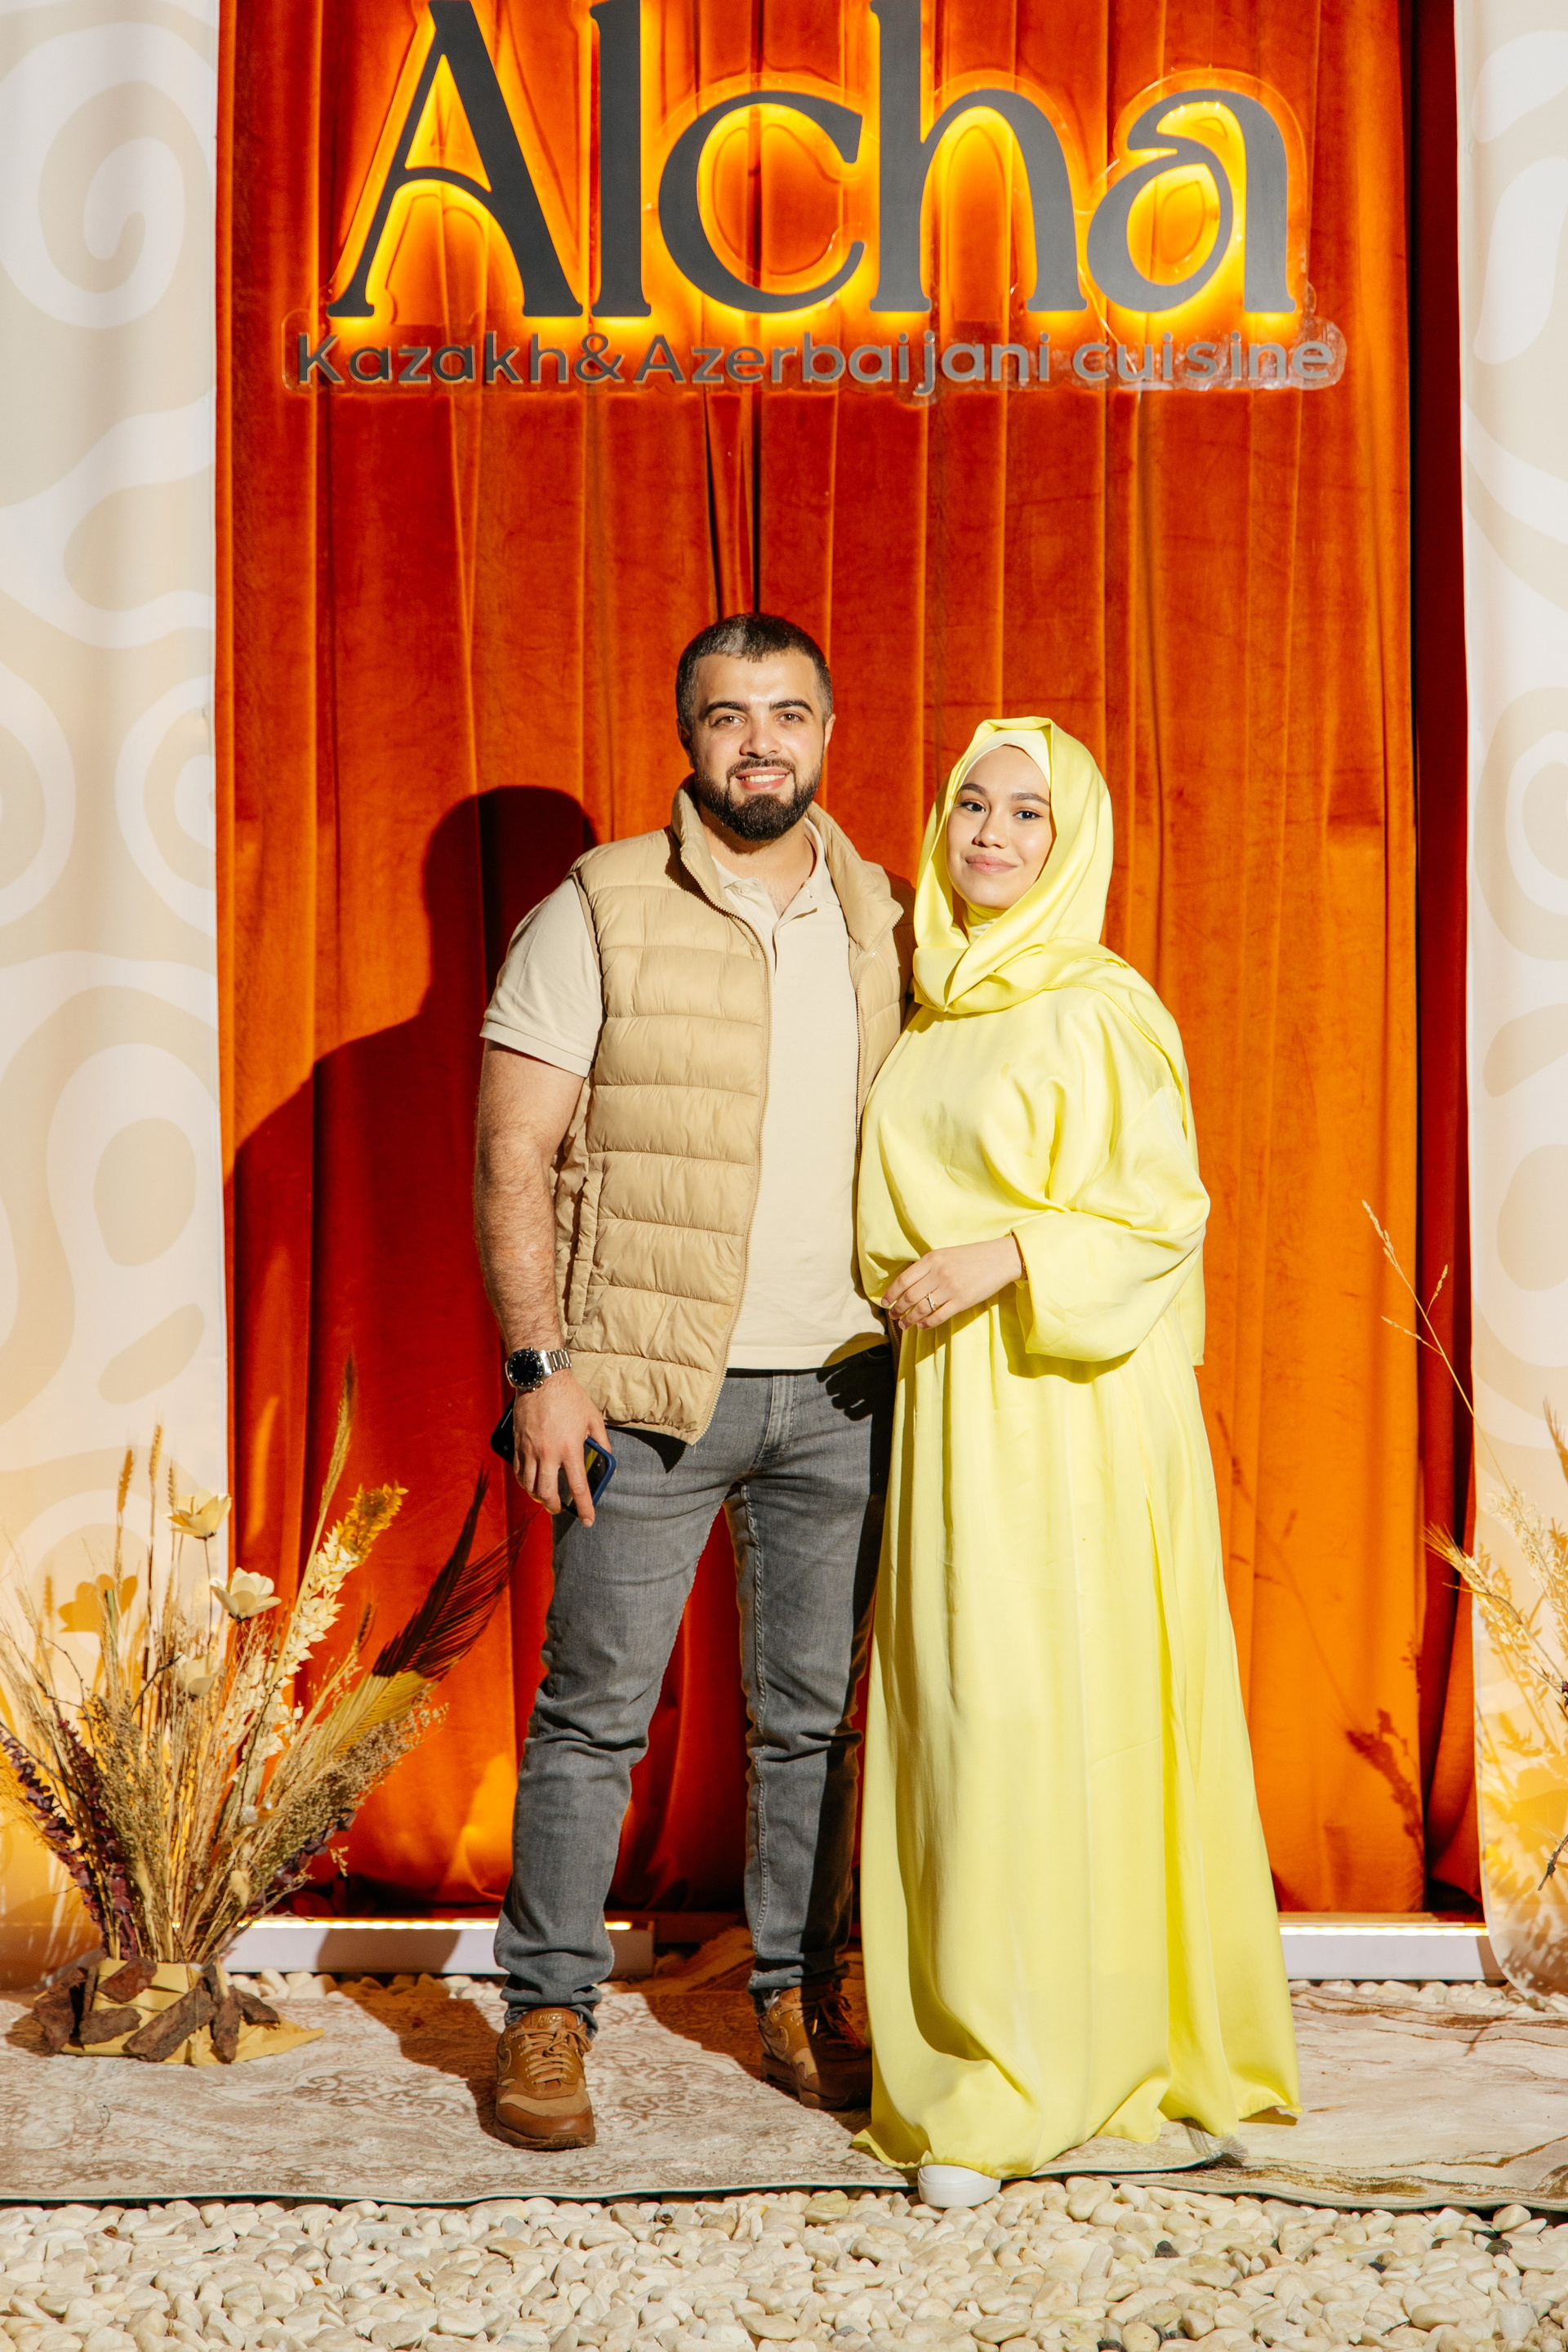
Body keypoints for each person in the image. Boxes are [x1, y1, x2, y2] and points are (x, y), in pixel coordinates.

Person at [472, 612, 908, 2151]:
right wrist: (542, 1367)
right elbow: (512, 1148)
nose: (761, 743)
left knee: (815, 1724)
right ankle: (547, 2013)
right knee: (594, 1715)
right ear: (689, 738)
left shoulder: (886, 913)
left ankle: (801, 1990)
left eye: (789, 713)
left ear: (828, 732)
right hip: (646, 1391)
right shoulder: (596, 907)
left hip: (847, 1388)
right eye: (731, 717)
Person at [853, 718, 1299, 2209]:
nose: (990, 832)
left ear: (1075, 842)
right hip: (951, 1403)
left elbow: (1164, 1211)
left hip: (1071, 1403)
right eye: (970, 804)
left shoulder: (1100, 1006)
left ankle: (1029, 2079)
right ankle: (988, 2044)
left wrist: (1005, 1257)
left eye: (1028, 813)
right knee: (964, 1714)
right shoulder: (932, 1006)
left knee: (1051, 1708)